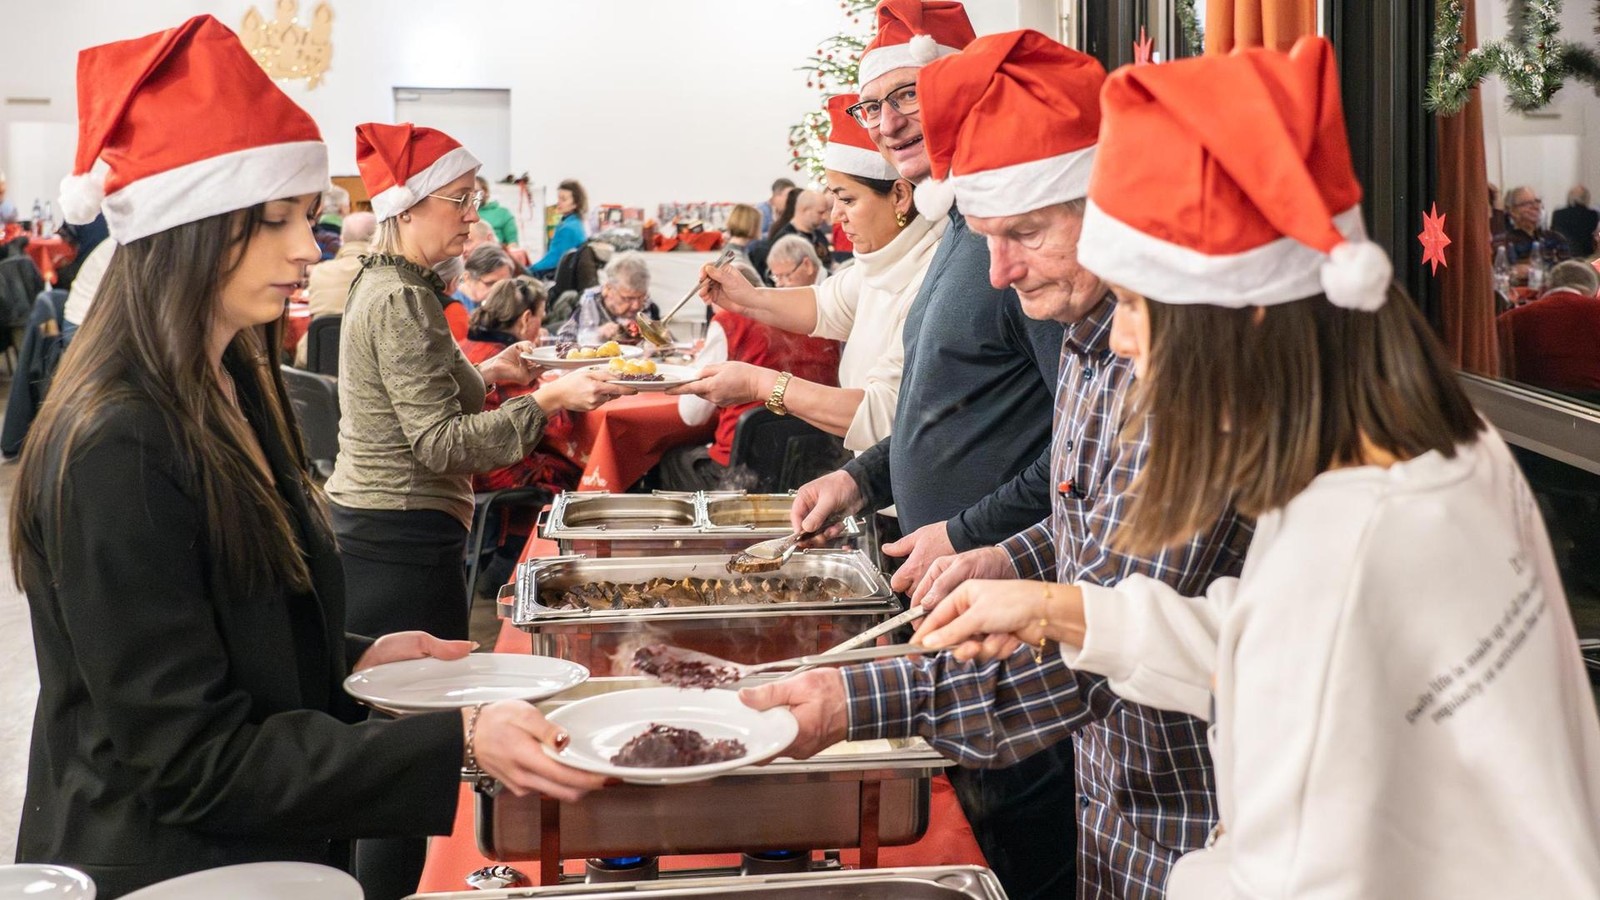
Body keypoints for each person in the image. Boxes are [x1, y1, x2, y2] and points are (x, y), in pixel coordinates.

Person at [913, 36, 1600, 900]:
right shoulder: (1433, 450)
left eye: (1134, 304)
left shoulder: (1349, 542)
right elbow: (1269, 640)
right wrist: (1059, 606)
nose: (1120, 339)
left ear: (1246, 321)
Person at [11, 17, 604, 900]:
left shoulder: (235, 381)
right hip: (170, 869)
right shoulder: (118, 444)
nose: (308, 249)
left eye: (311, 218)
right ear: (191, 233)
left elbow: (234, 627)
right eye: (277, 222)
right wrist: (462, 741)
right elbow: (189, 756)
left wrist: (357, 658)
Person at [745, 30, 1251, 900]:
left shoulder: (1169, 367)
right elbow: (1091, 518)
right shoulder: (1095, 339)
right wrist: (1008, 559)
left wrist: (851, 703)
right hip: (1111, 793)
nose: (1001, 268)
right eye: (986, 236)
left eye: (1024, 232)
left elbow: (1107, 643)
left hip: (1187, 811)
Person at [773, 4, 1071, 898]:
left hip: (1011, 614)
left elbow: (1077, 452)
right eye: (876, 108)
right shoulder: (957, 231)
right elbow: (944, 410)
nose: (891, 120)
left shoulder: (1015, 244)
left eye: (907, 95)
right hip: (960, 591)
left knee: (1029, 839)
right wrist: (861, 477)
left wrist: (973, 532)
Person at [326, 120, 630, 896]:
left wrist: (492, 370)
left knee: (397, 753)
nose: (474, 218)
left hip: (394, 531)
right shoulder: (398, 297)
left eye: (475, 200)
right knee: (406, 762)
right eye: (460, 202)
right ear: (409, 205)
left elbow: (423, 393)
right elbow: (441, 444)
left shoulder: (403, 286)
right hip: (394, 540)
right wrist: (547, 400)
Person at [681, 92, 943, 456]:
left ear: (900, 195)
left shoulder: (930, 275)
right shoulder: (885, 262)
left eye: (847, 200)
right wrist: (748, 297)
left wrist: (761, 383)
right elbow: (824, 305)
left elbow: (883, 416)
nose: (835, 215)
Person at [658, 260, 841, 491]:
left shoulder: (729, 324)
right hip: (815, 464)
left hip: (741, 470)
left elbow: (691, 415)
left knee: (674, 461)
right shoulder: (820, 321)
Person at [461, 277, 582, 496]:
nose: (542, 326)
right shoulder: (507, 363)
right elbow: (554, 428)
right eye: (541, 318)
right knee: (581, 470)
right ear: (526, 319)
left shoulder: (466, 347)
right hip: (493, 469)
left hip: (466, 464)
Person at [294, 210, 376, 366]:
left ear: (342, 239)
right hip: (372, 368)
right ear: (378, 238)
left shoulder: (320, 272)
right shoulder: (390, 275)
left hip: (317, 361)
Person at [555, 249, 658, 344]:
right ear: (608, 289)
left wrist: (658, 344)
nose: (636, 305)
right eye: (628, 298)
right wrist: (597, 335)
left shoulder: (647, 304)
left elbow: (667, 341)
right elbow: (562, 340)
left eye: (641, 297)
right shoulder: (590, 301)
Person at [1494, 185, 1570, 285]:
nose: (1535, 207)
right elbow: (1499, 274)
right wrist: (1513, 272)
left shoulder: (1555, 238)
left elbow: (1568, 272)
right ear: (1512, 211)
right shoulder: (1502, 241)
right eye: (1527, 203)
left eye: (1537, 202)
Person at [751, 188, 831, 281]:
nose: (825, 217)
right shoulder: (785, 240)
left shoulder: (818, 235)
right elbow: (779, 277)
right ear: (804, 209)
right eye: (820, 212)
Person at [530, 178, 587, 276]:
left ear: (575, 204)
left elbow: (552, 261)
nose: (558, 203)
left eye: (563, 199)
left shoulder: (568, 229)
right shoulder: (575, 223)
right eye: (558, 198)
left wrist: (528, 270)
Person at [457, 242, 517, 318]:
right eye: (491, 284)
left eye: (505, 284)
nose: (499, 290)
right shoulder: (454, 309)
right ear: (467, 278)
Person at [1552, 185, 1598, 258]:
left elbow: (1553, 235)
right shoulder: (1593, 215)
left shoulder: (1558, 214)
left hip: (1562, 257)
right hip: (1586, 258)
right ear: (1587, 198)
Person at [474, 175, 519, 246]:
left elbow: (513, 243)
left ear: (486, 192)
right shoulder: (465, 214)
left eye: (476, 191)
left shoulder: (503, 213)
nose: (473, 196)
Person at [312, 185, 351, 259]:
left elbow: (319, 210)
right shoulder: (341, 192)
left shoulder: (321, 192)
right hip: (337, 226)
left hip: (322, 224)